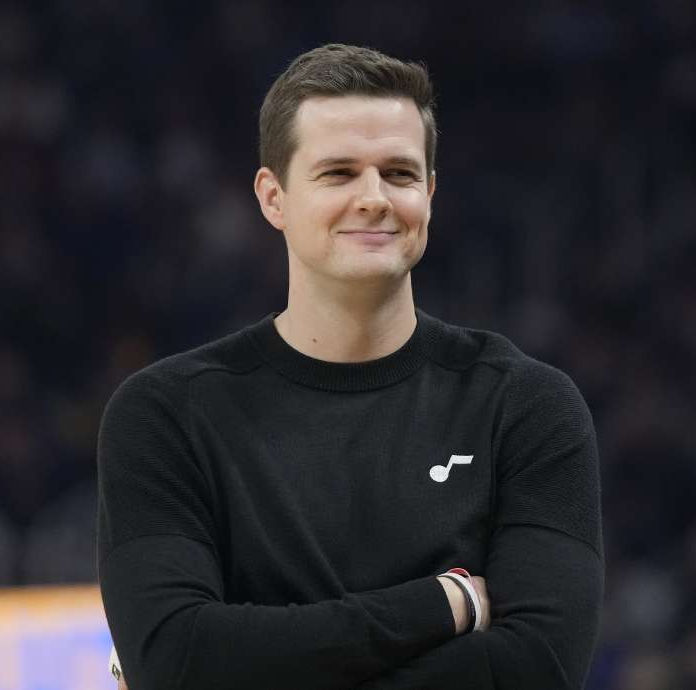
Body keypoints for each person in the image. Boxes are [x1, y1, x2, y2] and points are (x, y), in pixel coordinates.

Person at [98, 43, 603, 689]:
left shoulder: (526, 405)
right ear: (273, 197)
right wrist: (441, 605)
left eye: (399, 173)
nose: (373, 198)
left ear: (431, 193)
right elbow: (177, 658)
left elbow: (537, 669)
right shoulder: (166, 414)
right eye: (338, 173)